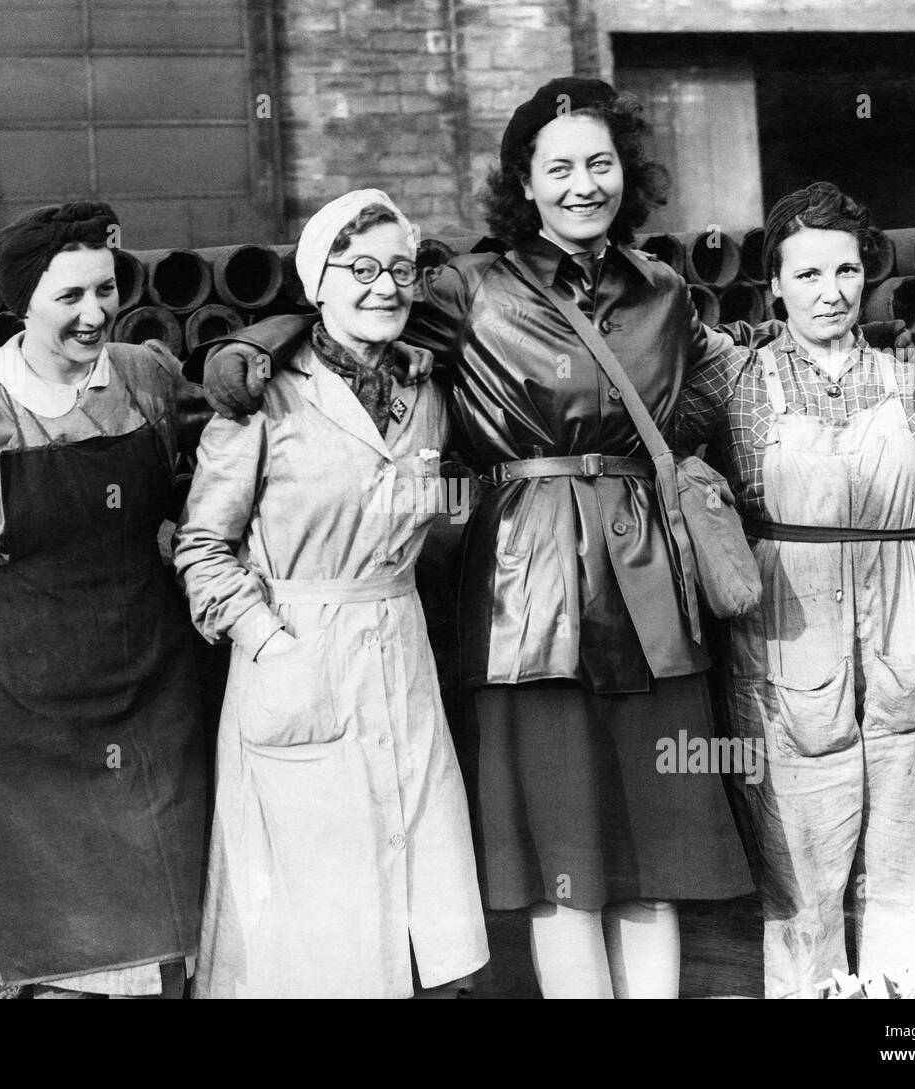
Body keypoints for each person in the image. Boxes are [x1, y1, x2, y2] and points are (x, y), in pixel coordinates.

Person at [200, 78, 825, 999]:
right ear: (523, 184)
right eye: (559, 166)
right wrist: (256, 342)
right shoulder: (469, 286)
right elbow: (358, 311)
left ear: (628, 174)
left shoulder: (662, 290)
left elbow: (715, 384)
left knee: (655, 857)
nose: (583, 184)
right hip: (526, 600)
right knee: (561, 861)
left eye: (600, 163)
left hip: (651, 588)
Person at [0, 201, 207, 997]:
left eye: (106, 288)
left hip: (154, 692)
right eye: (69, 297)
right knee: (43, 937)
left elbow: (198, 492)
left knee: (157, 934)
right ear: (24, 303)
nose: (94, 313)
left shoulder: (148, 377)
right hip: (25, 712)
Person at [172, 189, 488, 999]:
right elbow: (202, 546)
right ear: (317, 282)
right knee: (313, 938)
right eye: (359, 269)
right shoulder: (262, 394)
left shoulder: (427, 393)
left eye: (399, 268)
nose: (384, 286)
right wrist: (271, 641)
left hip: (400, 649)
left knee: (414, 907)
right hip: (296, 651)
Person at [674, 182, 915, 998]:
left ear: (866, 275)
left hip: (907, 661)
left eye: (845, 271)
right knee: (801, 891)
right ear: (773, 283)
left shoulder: (907, 382)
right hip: (787, 665)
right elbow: (654, 431)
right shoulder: (737, 382)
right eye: (807, 274)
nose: (831, 291)